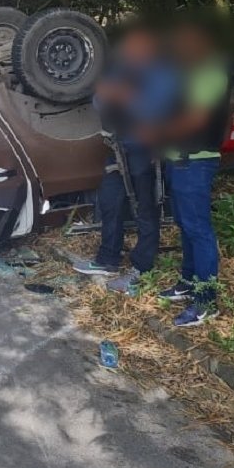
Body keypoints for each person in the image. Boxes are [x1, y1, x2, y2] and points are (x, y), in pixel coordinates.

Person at [71, 25, 168, 292]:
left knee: (146, 208)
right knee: (110, 201)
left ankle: (143, 266)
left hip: (144, 149)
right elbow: (99, 101)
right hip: (117, 146)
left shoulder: (159, 73)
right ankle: (108, 258)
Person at [157, 19, 232, 327]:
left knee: (198, 229)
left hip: (196, 159)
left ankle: (206, 299)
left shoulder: (210, 73)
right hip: (179, 158)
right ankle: (188, 281)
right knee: (185, 225)